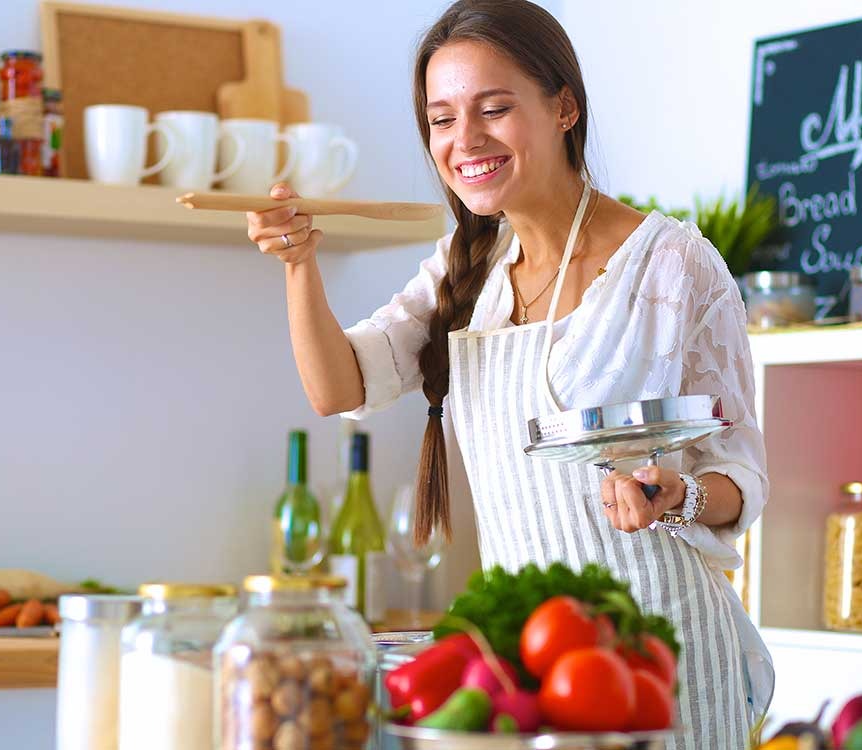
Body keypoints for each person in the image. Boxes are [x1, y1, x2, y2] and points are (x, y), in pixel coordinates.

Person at [246, 1, 773, 746]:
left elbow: (741, 481)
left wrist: (676, 493)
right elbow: (340, 387)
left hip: (664, 657)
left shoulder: (672, 266)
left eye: (494, 108)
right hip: (533, 665)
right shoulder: (465, 269)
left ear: (564, 107)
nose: (466, 141)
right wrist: (299, 267)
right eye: (441, 119)